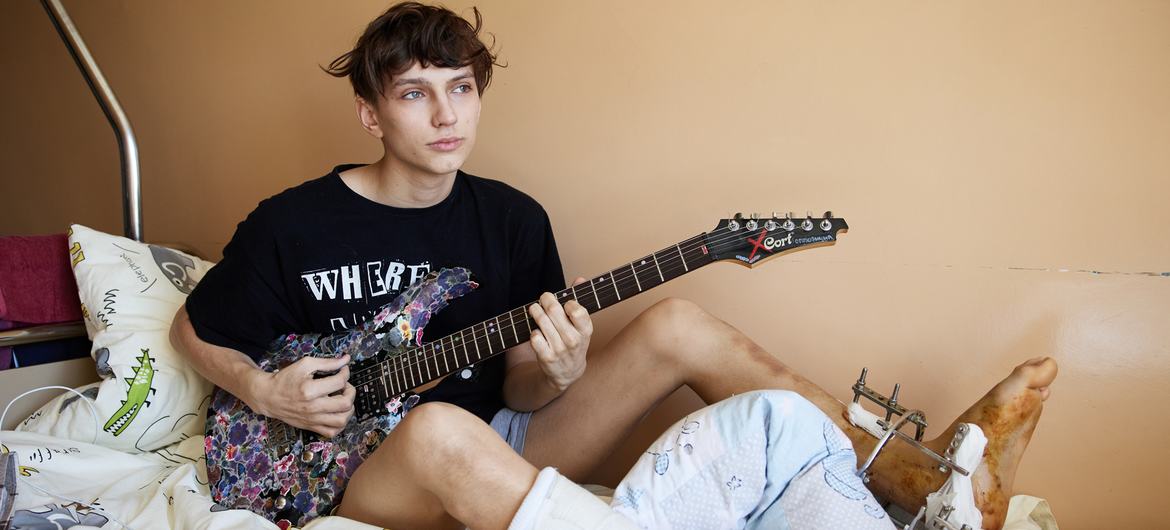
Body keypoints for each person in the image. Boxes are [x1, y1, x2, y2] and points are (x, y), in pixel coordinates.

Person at [170, 3, 1058, 529]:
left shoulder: (513, 220)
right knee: (443, 435)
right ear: (371, 114)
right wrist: (262, 391)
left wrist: (550, 372)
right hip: (358, 462)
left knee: (678, 323)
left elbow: (520, 395)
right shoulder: (295, 222)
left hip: (495, 434)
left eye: (461, 88)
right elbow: (192, 328)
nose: (446, 115)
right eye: (414, 94)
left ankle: (903, 474)